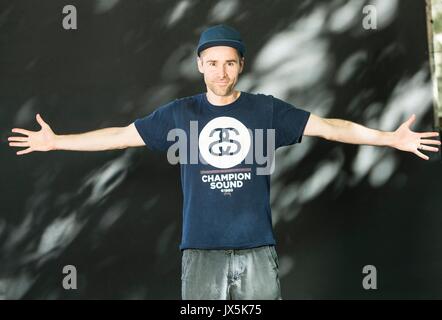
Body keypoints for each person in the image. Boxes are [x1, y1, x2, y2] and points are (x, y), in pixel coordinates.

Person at [7, 25, 441, 300]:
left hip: (257, 249)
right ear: (199, 65)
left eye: (229, 63)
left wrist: (390, 138)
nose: (220, 71)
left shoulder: (266, 110)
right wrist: (57, 141)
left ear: (240, 67)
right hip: (201, 252)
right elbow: (120, 136)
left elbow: (329, 127)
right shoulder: (179, 114)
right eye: (212, 63)